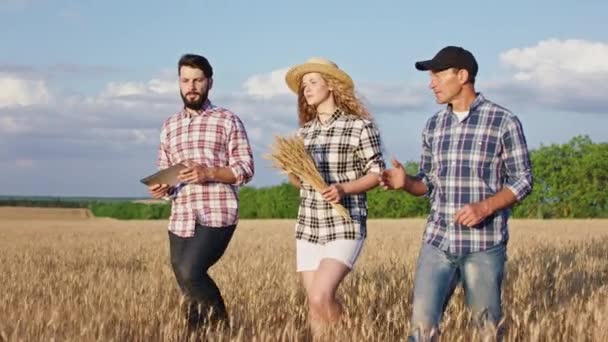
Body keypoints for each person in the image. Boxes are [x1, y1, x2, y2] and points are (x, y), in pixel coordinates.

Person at [380, 46, 533, 340]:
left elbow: (523, 179)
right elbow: (428, 183)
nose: (431, 82)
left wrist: (485, 208)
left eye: (437, 74)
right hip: (437, 241)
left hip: (484, 245)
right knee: (421, 332)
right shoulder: (433, 126)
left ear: (462, 75)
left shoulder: (503, 121)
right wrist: (406, 182)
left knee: (487, 332)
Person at [148, 53, 254, 330]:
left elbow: (245, 169)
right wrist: (163, 187)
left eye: (197, 80)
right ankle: (195, 334)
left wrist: (208, 172)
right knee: (186, 284)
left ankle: (223, 332)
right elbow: (165, 169)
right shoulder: (169, 125)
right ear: (179, 83)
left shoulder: (228, 120)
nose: (191, 86)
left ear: (209, 83)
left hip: (217, 213)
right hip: (181, 216)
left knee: (190, 271)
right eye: (185, 80)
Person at [284, 57, 385, 337]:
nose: (306, 89)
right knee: (315, 308)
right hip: (308, 226)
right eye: (304, 85)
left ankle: (360, 336)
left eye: (313, 82)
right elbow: (300, 184)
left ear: (331, 85)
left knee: (320, 297)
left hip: (345, 223)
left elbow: (376, 174)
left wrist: (343, 189)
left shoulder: (360, 127)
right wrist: (291, 170)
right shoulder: (303, 134)